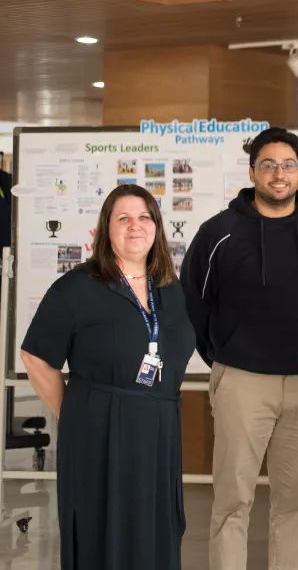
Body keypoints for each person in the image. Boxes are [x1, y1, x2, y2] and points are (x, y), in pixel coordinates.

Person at [180, 126, 298, 570]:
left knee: (296, 504)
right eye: (268, 165)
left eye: (288, 165)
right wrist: (224, 354)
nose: (279, 174)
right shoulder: (220, 232)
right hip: (243, 381)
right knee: (233, 501)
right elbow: (193, 300)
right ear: (252, 172)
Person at [21, 184, 195, 569]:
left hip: (159, 429)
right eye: (123, 218)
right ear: (106, 228)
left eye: (144, 217)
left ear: (157, 227)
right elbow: (35, 356)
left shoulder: (170, 288)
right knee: (102, 529)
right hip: (98, 431)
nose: (135, 226)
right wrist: (77, 413)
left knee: (155, 528)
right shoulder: (78, 287)